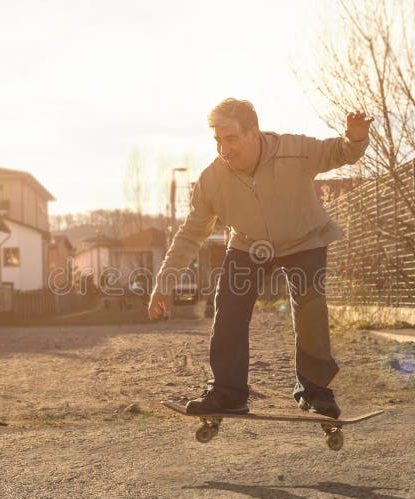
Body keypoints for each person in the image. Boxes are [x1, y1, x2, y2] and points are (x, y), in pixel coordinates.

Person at [148, 98, 372, 417]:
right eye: (218, 141)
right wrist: (164, 281)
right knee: (229, 304)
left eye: (231, 139)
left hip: (305, 237)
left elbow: (340, 152)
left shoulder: (294, 150)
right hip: (249, 244)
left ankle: (315, 390)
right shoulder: (212, 180)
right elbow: (191, 233)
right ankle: (228, 391)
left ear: (254, 133)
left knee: (309, 305)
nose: (224, 150)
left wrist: (356, 138)